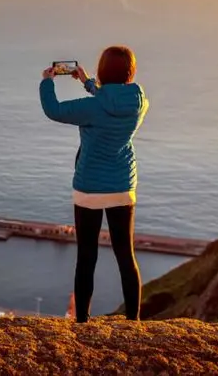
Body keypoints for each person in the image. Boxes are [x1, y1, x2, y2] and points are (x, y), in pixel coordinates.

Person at [39, 46, 149, 323]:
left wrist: (46, 81)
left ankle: (82, 321)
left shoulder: (91, 107)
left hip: (89, 188)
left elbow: (54, 110)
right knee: (126, 256)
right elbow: (111, 101)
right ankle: (133, 320)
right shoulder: (139, 103)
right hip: (123, 187)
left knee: (86, 256)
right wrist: (88, 83)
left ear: (102, 71)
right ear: (131, 73)